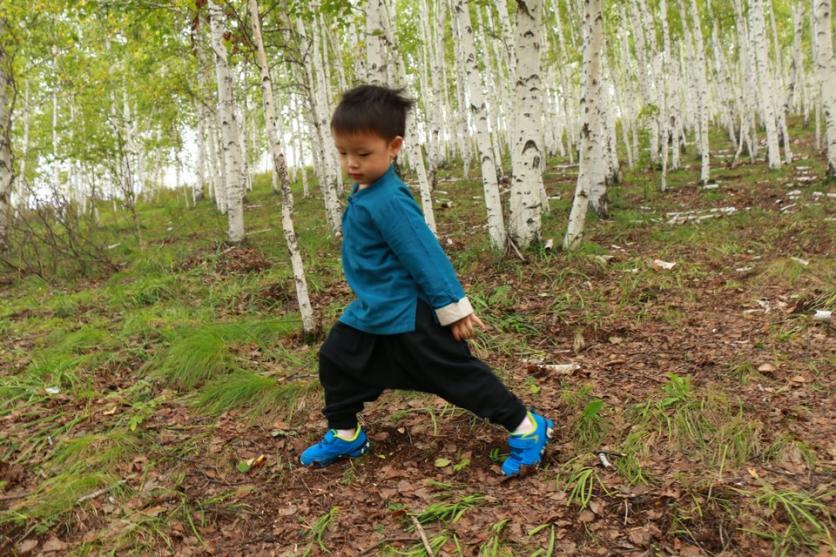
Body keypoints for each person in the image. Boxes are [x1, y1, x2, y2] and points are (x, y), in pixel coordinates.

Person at [299, 84, 553, 476]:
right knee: (335, 358)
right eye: (343, 153)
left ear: (393, 146)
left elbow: (425, 255)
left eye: (363, 154)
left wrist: (452, 307)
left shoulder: (389, 200)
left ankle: (527, 427)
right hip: (372, 310)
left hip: (407, 312)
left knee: (454, 376)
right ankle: (346, 433)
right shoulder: (366, 190)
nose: (352, 162)